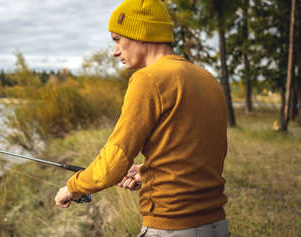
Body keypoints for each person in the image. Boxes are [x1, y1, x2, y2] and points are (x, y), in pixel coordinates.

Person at [54, 0, 230, 236]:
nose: (115, 51)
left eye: (117, 39)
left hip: (171, 225)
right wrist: (148, 170)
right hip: (216, 225)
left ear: (141, 34)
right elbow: (196, 153)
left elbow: (114, 161)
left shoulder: (148, 79)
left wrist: (72, 188)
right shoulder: (207, 79)